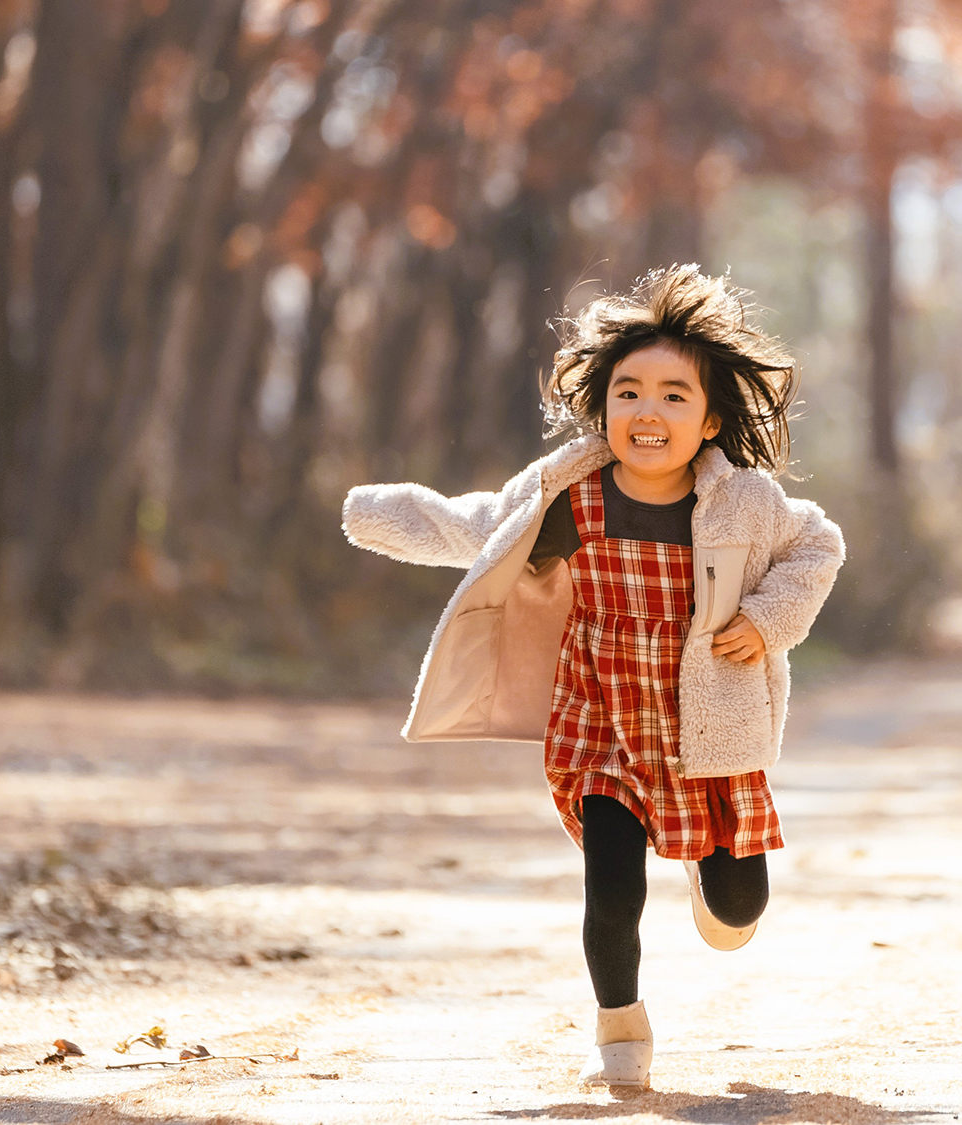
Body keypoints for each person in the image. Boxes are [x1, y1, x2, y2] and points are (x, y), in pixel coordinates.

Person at [341, 264, 844, 1089]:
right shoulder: (570, 494)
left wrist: (767, 620)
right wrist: (374, 513)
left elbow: (817, 545)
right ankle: (620, 1030)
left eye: (675, 396)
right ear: (603, 405)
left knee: (737, 911)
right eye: (630, 392)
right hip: (602, 714)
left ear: (711, 416)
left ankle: (706, 869)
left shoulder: (743, 502)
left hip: (706, 725)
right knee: (611, 884)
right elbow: (480, 526)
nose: (649, 411)